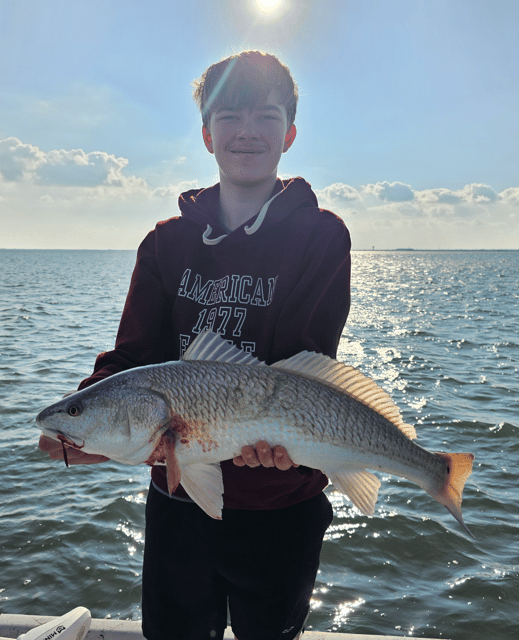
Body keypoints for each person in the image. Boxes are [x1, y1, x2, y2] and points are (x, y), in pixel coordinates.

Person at [39, 50, 351, 640]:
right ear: (206, 133)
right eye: (229, 115)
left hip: (283, 502)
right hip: (179, 495)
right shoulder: (165, 244)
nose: (247, 131)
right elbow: (131, 359)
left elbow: (310, 359)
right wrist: (81, 415)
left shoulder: (323, 235)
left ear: (290, 131)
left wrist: (292, 439)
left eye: (265, 115)